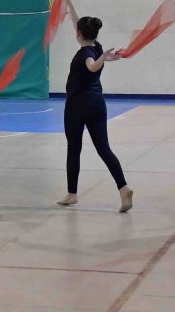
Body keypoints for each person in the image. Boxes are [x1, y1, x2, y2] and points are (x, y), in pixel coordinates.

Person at [55, 16, 133, 212]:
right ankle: (123, 188)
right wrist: (68, 2)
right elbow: (79, 24)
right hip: (97, 103)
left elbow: (91, 66)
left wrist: (103, 59)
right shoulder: (97, 47)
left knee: (74, 148)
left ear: (78, 34)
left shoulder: (87, 54)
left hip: (77, 106)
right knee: (104, 149)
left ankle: (72, 193)